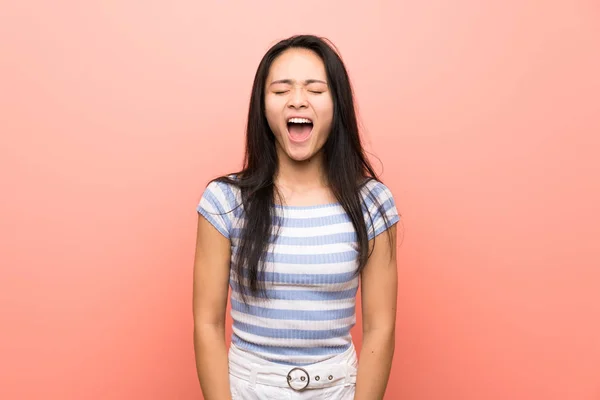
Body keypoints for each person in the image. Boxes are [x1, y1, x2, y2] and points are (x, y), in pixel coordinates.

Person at [192, 34, 400, 400]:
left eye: (315, 90)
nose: (298, 100)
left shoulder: (372, 203)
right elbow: (207, 325)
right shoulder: (224, 201)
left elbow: (380, 327)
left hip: (339, 390)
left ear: (337, 105)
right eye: (281, 89)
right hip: (247, 389)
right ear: (262, 104)